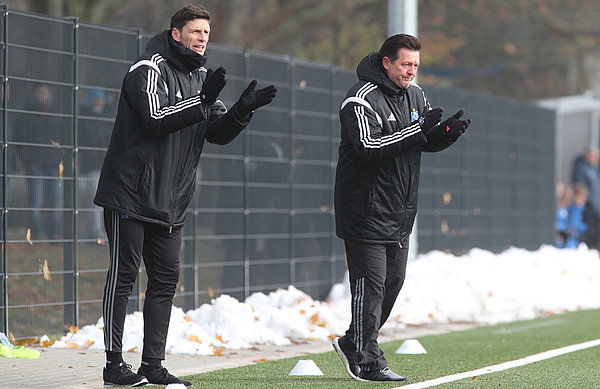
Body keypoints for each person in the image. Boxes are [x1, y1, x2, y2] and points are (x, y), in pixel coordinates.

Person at [93, 5, 277, 387]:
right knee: (124, 277)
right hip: (130, 193)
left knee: (165, 281)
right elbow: (155, 117)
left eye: (206, 33)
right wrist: (202, 101)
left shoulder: (203, 77)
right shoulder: (147, 69)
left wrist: (243, 110)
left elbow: (217, 133)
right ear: (176, 33)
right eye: (195, 31)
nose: (202, 38)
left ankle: (152, 365)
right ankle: (113, 366)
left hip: (172, 201)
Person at [331, 34, 471, 382]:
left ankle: (353, 342)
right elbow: (369, 147)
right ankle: (367, 360)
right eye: (406, 64)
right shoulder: (359, 98)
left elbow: (420, 141)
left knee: (393, 282)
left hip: (400, 211)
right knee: (371, 285)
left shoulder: (416, 94)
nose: (411, 71)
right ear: (386, 62)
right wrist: (416, 131)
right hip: (364, 210)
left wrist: (446, 134)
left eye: (416, 65)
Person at [572, 148, 600, 249]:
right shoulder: (581, 168)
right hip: (588, 210)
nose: (595, 159)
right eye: (593, 156)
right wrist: (586, 202)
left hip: (595, 210)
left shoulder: (593, 170)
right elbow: (580, 188)